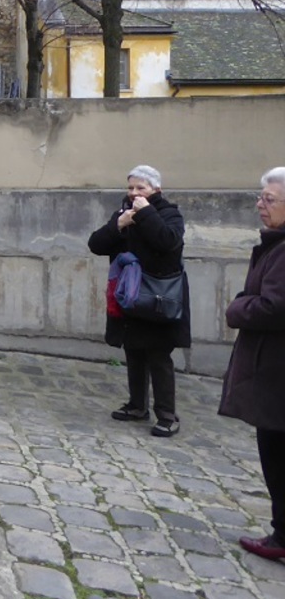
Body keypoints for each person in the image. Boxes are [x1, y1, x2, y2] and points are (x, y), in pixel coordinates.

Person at [88, 164, 189, 437]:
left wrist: (146, 214)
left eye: (140, 188)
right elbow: (96, 244)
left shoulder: (169, 214)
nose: (134, 192)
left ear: (156, 189)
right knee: (133, 350)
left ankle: (167, 415)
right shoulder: (123, 213)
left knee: (158, 355)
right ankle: (137, 406)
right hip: (129, 294)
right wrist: (118, 225)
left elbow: (168, 242)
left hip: (157, 295)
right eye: (130, 187)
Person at [220, 167, 285, 561]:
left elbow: (274, 306)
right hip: (274, 370)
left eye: (269, 199)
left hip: (277, 374)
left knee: (277, 454)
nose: (260, 205)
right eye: (260, 197)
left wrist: (237, 308)